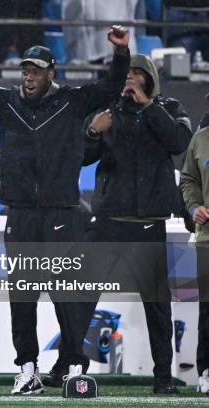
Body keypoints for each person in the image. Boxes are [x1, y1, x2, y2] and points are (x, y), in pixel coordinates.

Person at [0, 19, 130, 394]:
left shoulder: (73, 102)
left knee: (65, 293)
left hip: (61, 212)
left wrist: (120, 53)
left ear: (50, 73)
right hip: (20, 213)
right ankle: (27, 368)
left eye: (35, 70)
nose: (28, 76)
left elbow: (111, 86)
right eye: (25, 69)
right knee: (22, 297)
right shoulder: (7, 104)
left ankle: (72, 365)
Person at [84, 54, 192, 394]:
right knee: (83, 296)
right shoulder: (108, 111)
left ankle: (162, 377)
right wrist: (90, 132)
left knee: (157, 307)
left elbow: (179, 144)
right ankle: (70, 366)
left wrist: (148, 106)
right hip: (109, 219)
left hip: (148, 223)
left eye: (135, 73)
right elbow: (81, 156)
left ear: (149, 78)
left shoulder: (170, 109)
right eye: (126, 73)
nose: (129, 78)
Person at [177, 97, 209, 394]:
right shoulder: (200, 139)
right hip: (208, 238)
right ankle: (206, 371)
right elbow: (188, 179)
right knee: (208, 308)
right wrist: (194, 206)